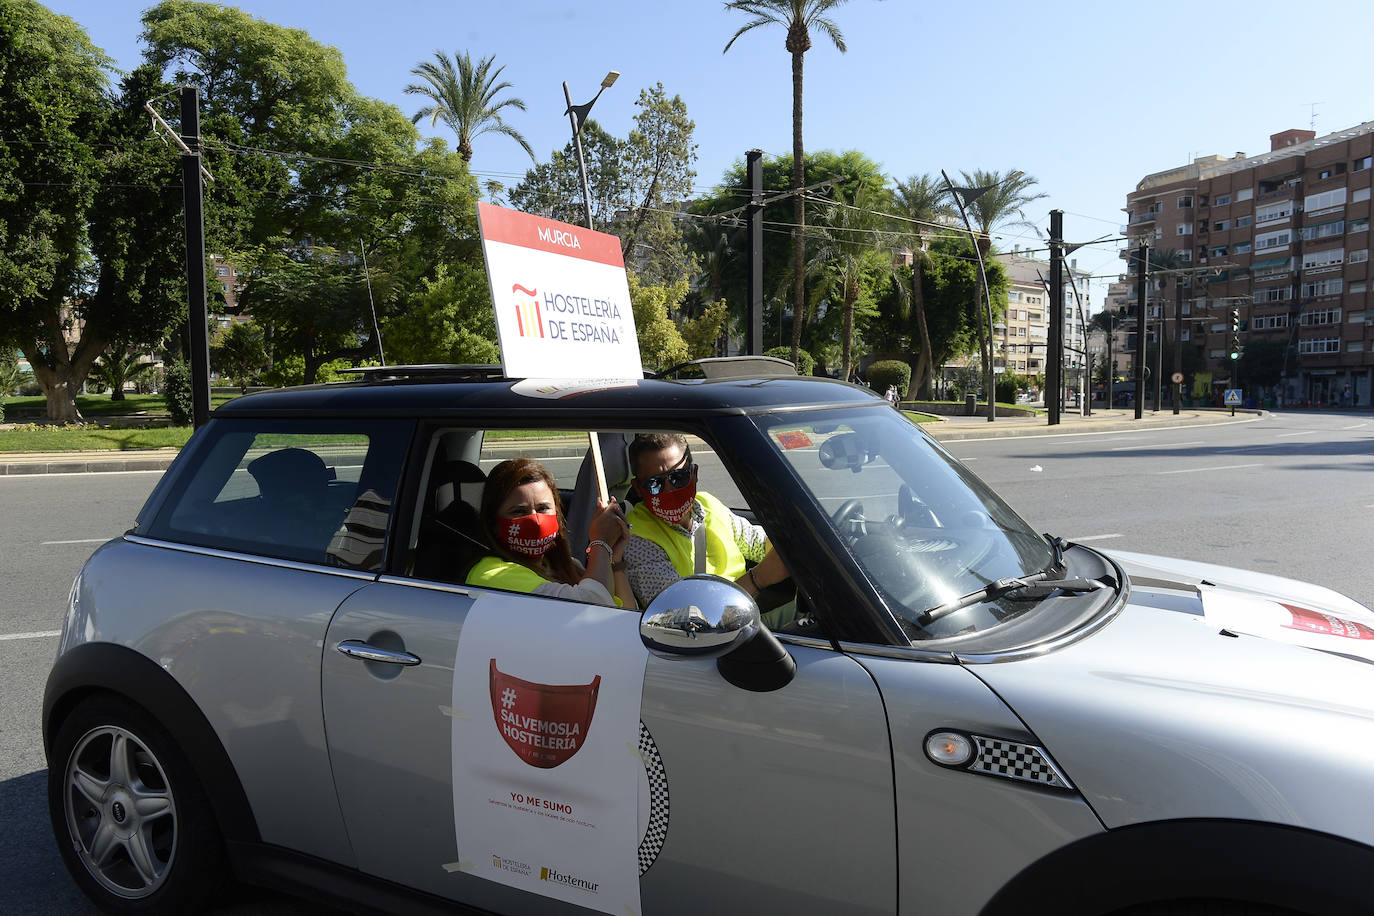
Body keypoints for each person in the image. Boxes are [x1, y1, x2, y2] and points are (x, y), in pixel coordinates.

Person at [622, 433, 789, 609]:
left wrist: (789, 550)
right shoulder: (637, 536)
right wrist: (759, 578)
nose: (670, 490)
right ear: (639, 489)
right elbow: (682, 615)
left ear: (694, 474)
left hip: (747, 611)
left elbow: (757, 542)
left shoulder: (708, 504)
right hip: (713, 631)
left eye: (678, 477)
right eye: (655, 484)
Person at [467, 457, 635, 608]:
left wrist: (615, 560)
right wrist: (601, 543)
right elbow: (593, 609)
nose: (535, 521)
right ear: (494, 523)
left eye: (543, 508)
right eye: (519, 512)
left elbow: (626, 613)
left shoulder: (566, 565)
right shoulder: (493, 574)